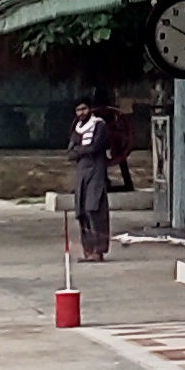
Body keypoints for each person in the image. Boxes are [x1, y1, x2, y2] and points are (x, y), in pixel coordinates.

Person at [69, 100, 116, 261]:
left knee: (94, 208)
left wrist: (81, 150)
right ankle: (87, 250)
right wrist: (84, 151)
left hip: (96, 170)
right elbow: (70, 153)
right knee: (81, 211)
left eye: (83, 109)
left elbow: (96, 147)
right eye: (78, 110)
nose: (81, 113)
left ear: (89, 109)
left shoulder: (99, 125)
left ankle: (99, 250)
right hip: (82, 171)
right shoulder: (77, 128)